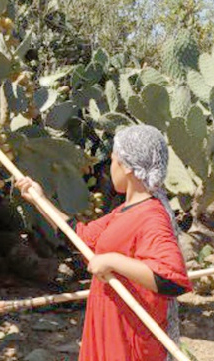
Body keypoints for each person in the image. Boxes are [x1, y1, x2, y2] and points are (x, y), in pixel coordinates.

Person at [17, 124, 191, 361]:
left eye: (113, 161)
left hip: (129, 339)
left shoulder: (151, 216)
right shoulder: (126, 211)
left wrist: (114, 261)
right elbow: (79, 238)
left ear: (127, 167)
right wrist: (40, 200)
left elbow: (171, 279)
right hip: (111, 326)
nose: (111, 168)